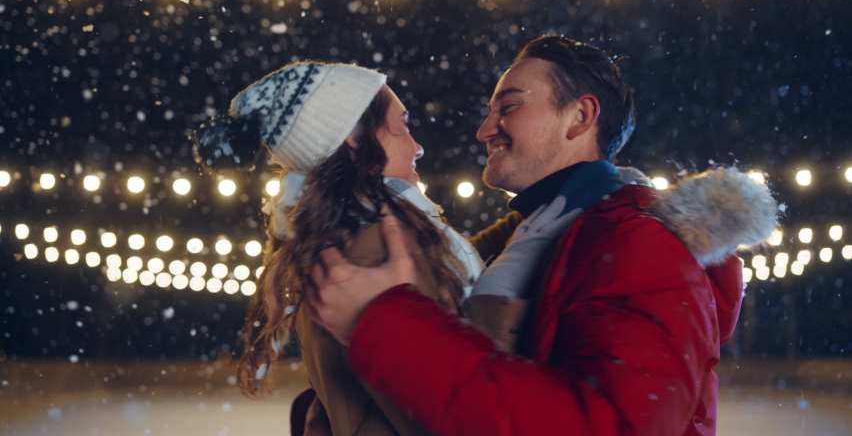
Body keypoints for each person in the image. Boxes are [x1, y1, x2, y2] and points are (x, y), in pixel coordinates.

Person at [305, 36, 780, 436]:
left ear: (579, 117)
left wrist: (385, 325)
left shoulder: (638, 244)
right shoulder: (542, 235)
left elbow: (609, 426)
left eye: (508, 107)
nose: (484, 129)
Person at [194, 61, 485, 436]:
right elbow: (452, 409)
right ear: (354, 136)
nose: (418, 147)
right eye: (402, 125)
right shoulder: (376, 252)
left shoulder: (346, 239)